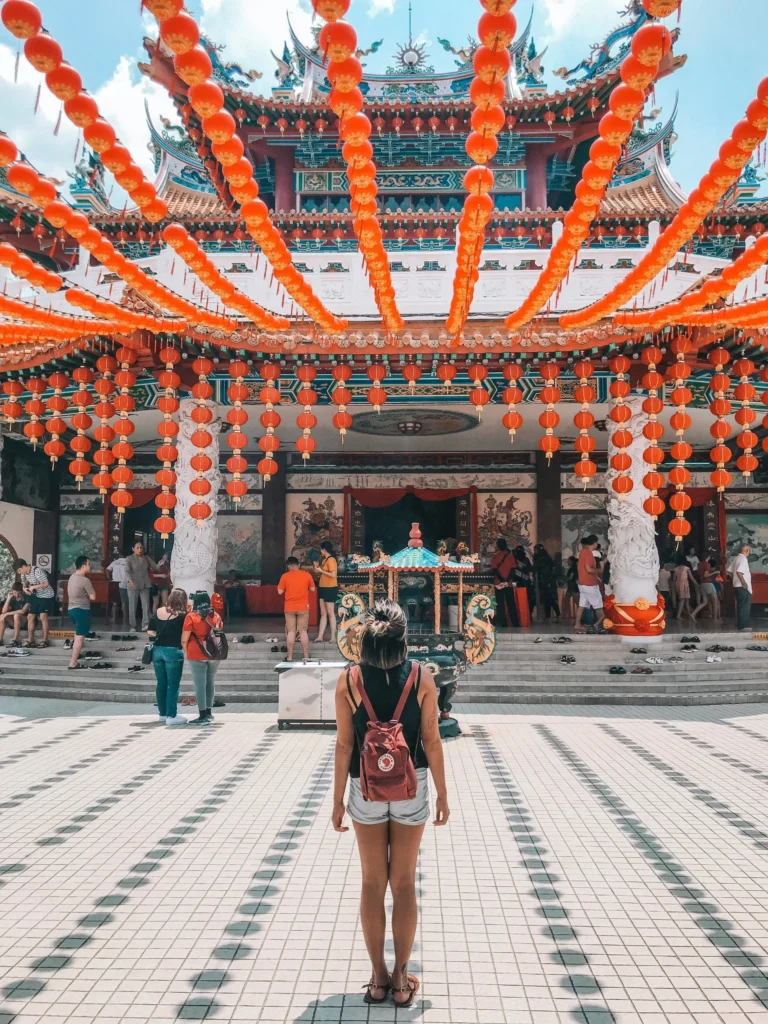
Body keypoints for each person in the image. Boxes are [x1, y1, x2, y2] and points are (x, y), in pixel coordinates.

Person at [332, 600, 449, 1008]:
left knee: (370, 882)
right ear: (404, 637)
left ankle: (377, 979)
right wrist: (444, 794)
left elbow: (344, 744)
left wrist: (335, 803)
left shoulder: (348, 680)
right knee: (403, 883)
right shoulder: (422, 677)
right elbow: (432, 739)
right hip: (410, 787)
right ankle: (402, 980)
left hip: (363, 788)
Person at [182, 591, 224, 726]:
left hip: (196, 653)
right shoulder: (216, 616)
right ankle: (210, 712)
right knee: (210, 682)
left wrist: (187, 651)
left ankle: (202, 714)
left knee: (200, 685)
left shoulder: (191, 616)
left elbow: (184, 639)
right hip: (214, 654)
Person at [149, 588, 188, 727]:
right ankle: (172, 715)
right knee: (173, 684)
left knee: (161, 683)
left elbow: (150, 631)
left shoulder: (158, 611)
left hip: (157, 650)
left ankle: (162, 714)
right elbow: (186, 633)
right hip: (173, 651)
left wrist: (161, 635)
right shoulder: (183, 615)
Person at [277, 556, 316, 661]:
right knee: (303, 631)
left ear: (289, 566)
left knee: (291, 632)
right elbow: (312, 589)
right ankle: (306, 656)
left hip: (289, 607)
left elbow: (280, 592)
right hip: (303, 606)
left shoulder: (285, 576)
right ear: (298, 565)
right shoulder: (306, 575)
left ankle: (289, 657)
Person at [15, 558, 54, 648]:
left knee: (43, 616)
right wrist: (25, 588)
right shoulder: (24, 574)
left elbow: (46, 584)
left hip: (47, 595)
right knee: (30, 616)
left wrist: (34, 587)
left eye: (19, 570)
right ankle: (30, 640)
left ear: (24, 566)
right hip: (36, 595)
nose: (19, 572)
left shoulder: (37, 571)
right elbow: (25, 584)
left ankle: (45, 640)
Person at [66, 556, 96, 670]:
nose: (90, 566)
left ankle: (76, 655)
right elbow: (93, 596)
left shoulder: (71, 577)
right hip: (82, 610)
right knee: (79, 638)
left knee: (77, 633)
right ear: (83, 566)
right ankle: (73, 663)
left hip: (71, 609)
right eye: (88, 564)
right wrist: (86, 595)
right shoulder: (85, 580)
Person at [125, 541, 162, 632]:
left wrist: (159, 565)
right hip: (133, 585)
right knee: (132, 606)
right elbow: (127, 571)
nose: (139, 549)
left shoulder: (146, 558)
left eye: (141, 548)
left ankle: (145, 625)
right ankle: (132, 626)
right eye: (137, 548)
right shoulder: (129, 559)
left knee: (145, 606)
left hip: (145, 584)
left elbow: (155, 567)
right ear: (133, 549)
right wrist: (130, 580)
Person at [576, 536, 605, 632]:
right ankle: (599, 625)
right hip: (589, 584)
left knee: (582, 605)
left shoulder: (582, 552)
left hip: (582, 583)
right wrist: (599, 571)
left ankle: (577, 624)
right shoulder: (588, 553)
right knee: (598, 606)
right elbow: (588, 569)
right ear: (594, 543)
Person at [490, 538, 519, 628]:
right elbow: (513, 570)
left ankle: (503, 623)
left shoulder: (495, 558)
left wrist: (502, 580)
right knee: (511, 603)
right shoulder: (510, 557)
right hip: (508, 583)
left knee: (500, 604)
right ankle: (515, 623)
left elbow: (495, 571)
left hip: (499, 583)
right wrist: (507, 580)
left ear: (498, 546)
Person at [314, 541, 338, 643]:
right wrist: (316, 569)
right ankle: (320, 636)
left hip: (330, 587)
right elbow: (322, 574)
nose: (320, 551)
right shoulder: (324, 560)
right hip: (322, 587)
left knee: (330, 612)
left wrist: (321, 571)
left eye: (321, 549)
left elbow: (333, 575)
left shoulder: (331, 560)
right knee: (323, 612)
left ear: (324, 549)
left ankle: (333, 636)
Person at [532, 543, 560, 620]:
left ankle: (554, 613)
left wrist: (548, 581)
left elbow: (546, 570)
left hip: (547, 580)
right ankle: (548, 614)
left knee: (549, 597)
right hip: (543, 580)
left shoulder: (544, 559)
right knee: (547, 598)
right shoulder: (543, 558)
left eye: (535, 550)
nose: (534, 551)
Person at [729, 543, 752, 631]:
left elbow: (730, 572)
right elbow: (739, 572)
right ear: (747, 551)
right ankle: (743, 626)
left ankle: (740, 625)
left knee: (740, 605)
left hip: (736, 586)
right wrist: (743, 582)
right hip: (742, 587)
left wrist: (735, 580)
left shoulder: (736, 558)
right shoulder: (743, 559)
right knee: (744, 606)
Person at [691, 551, 720, 622]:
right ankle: (715, 618)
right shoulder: (707, 564)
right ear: (708, 557)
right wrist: (715, 572)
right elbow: (705, 575)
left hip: (702, 584)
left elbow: (699, 573)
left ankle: (693, 613)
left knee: (704, 602)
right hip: (708, 583)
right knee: (715, 601)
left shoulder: (699, 564)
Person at [107, 554, 130, 625]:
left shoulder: (115, 562)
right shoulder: (128, 562)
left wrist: (109, 579)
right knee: (124, 602)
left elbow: (107, 570)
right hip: (124, 584)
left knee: (115, 602)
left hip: (114, 583)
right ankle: (125, 618)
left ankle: (114, 618)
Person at [673, 556, 697, 620]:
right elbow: (691, 577)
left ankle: (689, 614)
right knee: (683, 600)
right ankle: (678, 615)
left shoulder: (676, 569)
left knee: (686, 600)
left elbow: (674, 579)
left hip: (678, 584)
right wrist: (696, 584)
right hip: (684, 584)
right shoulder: (686, 568)